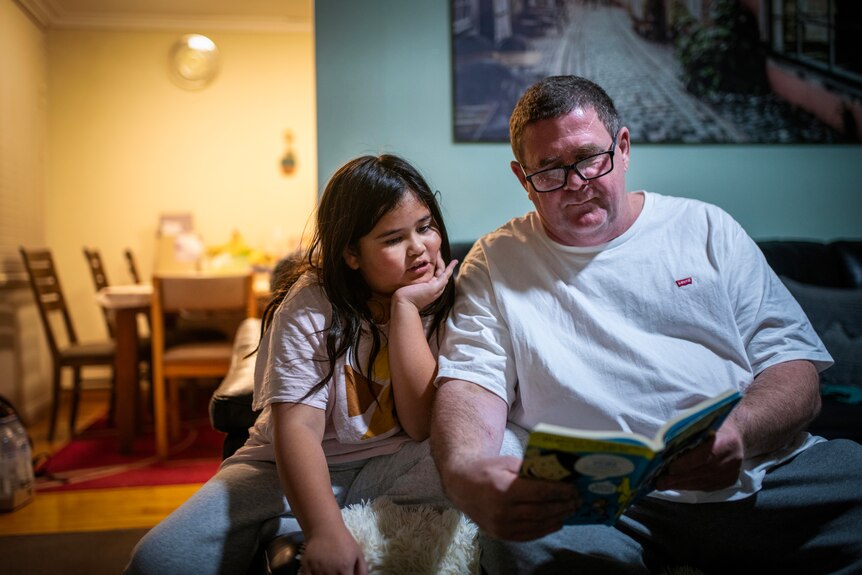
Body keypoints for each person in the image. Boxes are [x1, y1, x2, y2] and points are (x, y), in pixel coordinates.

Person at [431, 75, 862, 574]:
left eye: (590, 158)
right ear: (521, 178)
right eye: (548, 169)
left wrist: (740, 432)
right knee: (521, 545)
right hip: (603, 509)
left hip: (765, 473)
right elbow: (469, 383)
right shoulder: (495, 259)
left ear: (624, 147)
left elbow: (795, 371)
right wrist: (465, 474)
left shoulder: (705, 227)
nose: (575, 183)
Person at [125, 154, 457, 575]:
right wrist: (324, 529)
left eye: (426, 227)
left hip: (392, 467)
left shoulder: (439, 293)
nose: (420, 249)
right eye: (393, 239)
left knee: (493, 448)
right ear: (351, 253)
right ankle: (298, 514)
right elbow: (298, 429)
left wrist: (406, 312)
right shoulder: (311, 303)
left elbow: (420, 426)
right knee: (157, 560)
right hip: (288, 470)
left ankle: (315, 515)